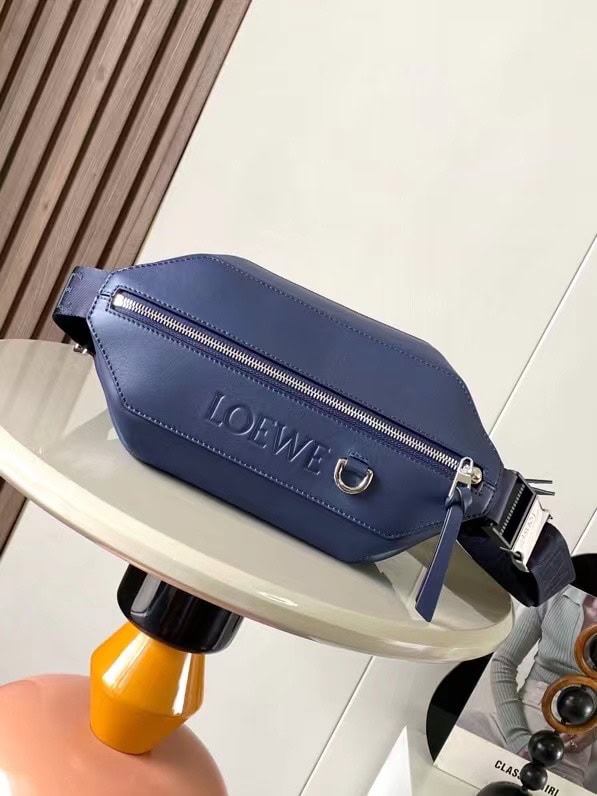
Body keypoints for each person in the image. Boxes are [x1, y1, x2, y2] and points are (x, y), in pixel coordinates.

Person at [461, 586, 597, 788]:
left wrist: (593, 730)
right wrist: (517, 736)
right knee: (456, 742)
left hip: (570, 748)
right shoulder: (555, 591)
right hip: (514, 721)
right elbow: (504, 663)